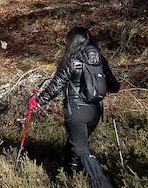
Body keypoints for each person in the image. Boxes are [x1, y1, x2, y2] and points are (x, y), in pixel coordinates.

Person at [27, 27, 120, 188]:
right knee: (73, 147)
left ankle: (102, 184)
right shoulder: (100, 59)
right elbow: (114, 86)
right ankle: (71, 179)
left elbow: (56, 85)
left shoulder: (71, 59)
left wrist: (39, 101)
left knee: (82, 149)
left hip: (76, 111)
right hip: (95, 112)